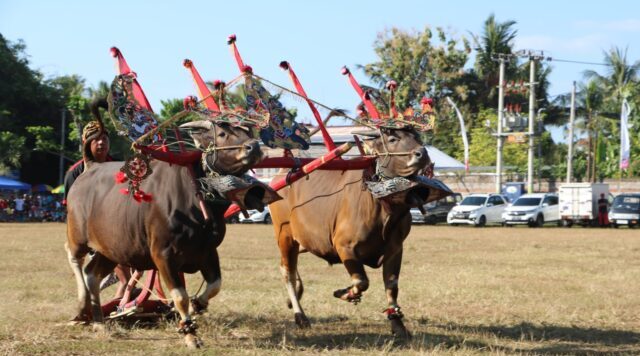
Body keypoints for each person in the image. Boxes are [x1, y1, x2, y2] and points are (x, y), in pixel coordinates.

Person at [64, 120, 133, 300]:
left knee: (129, 266)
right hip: (89, 229)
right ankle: (117, 294)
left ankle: (121, 296)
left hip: (116, 225)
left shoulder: (119, 167)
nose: (101, 142)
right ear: (86, 143)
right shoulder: (74, 173)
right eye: (95, 139)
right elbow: (71, 211)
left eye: (104, 138)